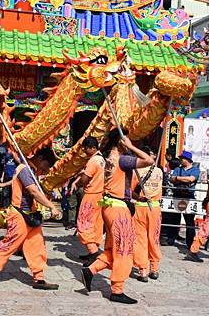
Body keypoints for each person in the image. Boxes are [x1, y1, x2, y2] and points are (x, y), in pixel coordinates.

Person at [80, 130, 154, 305]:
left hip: (111, 206)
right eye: (127, 138)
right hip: (118, 208)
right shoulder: (122, 159)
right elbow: (149, 160)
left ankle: (91, 270)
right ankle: (117, 289)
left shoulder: (109, 159)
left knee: (114, 247)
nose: (130, 140)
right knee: (125, 249)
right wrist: (131, 146)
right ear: (121, 141)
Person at [0, 154, 62, 289]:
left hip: (31, 215)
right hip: (19, 215)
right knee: (10, 244)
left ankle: (39, 278)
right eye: (46, 165)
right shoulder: (25, 170)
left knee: (37, 244)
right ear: (40, 159)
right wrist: (51, 206)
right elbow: (33, 192)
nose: (46, 169)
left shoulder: (32, 171)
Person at [69, 136, 104, 264]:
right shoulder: (102, 160)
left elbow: (86, 178)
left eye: (86, 148)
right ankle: (92, 251)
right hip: (100, 196)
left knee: (83, 224)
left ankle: (94, 252)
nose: (84, 151)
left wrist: (77, 184)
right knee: (95, 224)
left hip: (91, 195)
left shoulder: (93, 161)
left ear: (92, 148)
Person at [131, 147, 163, 282]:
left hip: (140, 208)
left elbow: (132, 192)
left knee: (140, 239)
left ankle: (143, 270)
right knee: (154, 238)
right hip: (155, 208)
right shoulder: (159, 171)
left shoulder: (136, 171)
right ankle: (154, 268)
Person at [164, 151, 200, 248]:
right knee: (174, 219)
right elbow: (171, 179)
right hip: (177, 195)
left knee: (189, 221)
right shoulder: (177, 169)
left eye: (182, 159)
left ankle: (190, 242)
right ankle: (171, 239)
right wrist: (184, 179)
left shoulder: (195, 170)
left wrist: (178, 178)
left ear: (188, 160)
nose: (180, 160)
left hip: (189, 197)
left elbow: (191, 179)